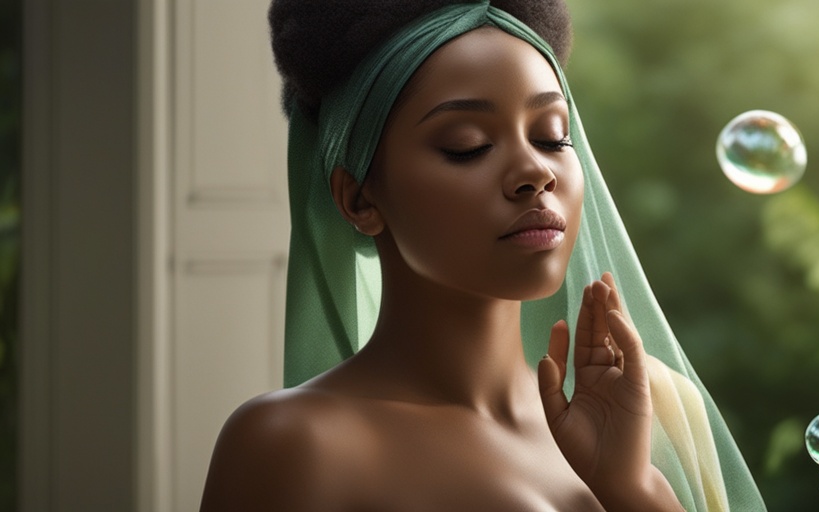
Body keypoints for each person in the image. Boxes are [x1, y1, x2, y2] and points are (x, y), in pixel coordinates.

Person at [199, 1, 767, 511]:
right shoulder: (295, 445)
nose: (536, 173)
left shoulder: (645, 416)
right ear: (359, 197)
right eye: (466, 145)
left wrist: (633, 488)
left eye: (551, 136)